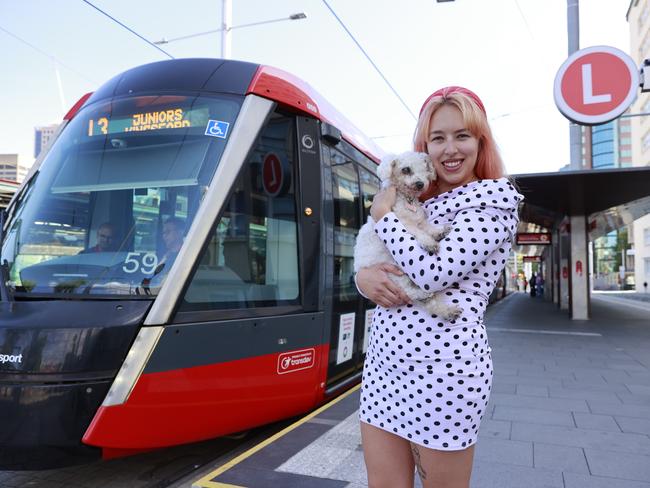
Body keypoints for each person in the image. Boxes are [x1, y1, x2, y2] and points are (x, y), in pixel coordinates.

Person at [355, 86, 523, 488]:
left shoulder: (492, 201)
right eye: (438, 137)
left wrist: (383, 218)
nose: (450, 149)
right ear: (423, 147)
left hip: (444, 374)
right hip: (385, 367)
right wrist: (363, 280)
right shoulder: (420, 201)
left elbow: (433, 273)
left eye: (462, 135)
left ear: (480, 141)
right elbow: (382, 260)